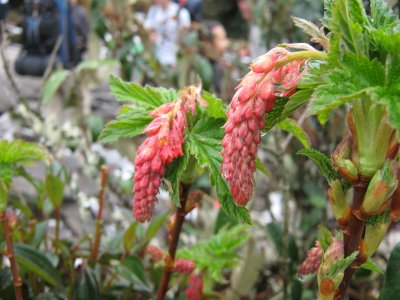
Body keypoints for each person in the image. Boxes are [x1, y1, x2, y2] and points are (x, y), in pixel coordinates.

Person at [144, 0, 191, 67]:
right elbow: (148, 27)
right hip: (157, 55)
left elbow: (186, 36)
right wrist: (151, 35)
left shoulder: (181, 12)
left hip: (174, 55)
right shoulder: (154, 10)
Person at [198, 20, 229, 94]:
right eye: (222, 39)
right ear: (207, 43)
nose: (226, 44)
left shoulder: (219, 65)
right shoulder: (199, 71)